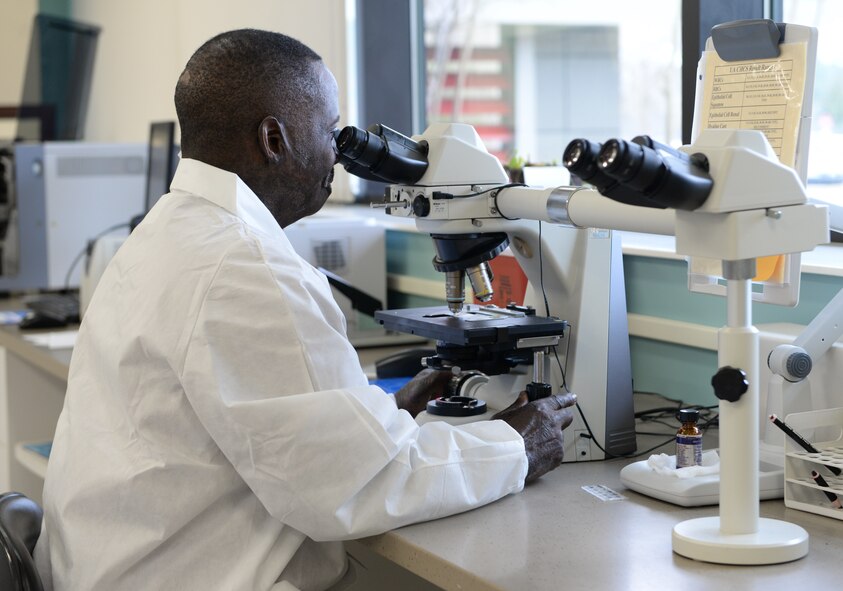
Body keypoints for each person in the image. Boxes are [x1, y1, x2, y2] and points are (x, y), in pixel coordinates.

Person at [34, 29, 576, 591]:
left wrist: (374, 416)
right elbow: (361, 485)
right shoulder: (245, 266)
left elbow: (255, 415)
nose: (336, 155)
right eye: (328, 132)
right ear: (274, 139)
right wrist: (517, 446)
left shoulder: (167, 232)